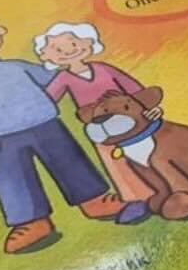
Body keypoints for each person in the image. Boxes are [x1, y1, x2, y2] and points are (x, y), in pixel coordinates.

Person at [0, 13, 148, 255]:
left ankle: (94, 200)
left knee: (70, 163)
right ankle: (30, 222)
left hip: (44, 125)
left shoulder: (18, 67)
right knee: (12, 179)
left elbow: (55, 79)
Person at [35, 21, 159, 207]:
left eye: (73, 43)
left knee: (150, 151)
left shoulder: (103, 68)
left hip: (131, 118)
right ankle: (135, 199)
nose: (68, 51)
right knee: (115, 162)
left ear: (87, 43)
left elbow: (132, 88)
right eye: (57, 49)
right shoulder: (63, 78)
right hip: (99, 126)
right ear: (48, 56)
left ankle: (162, 188)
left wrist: (148, 108)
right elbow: (47, 99)